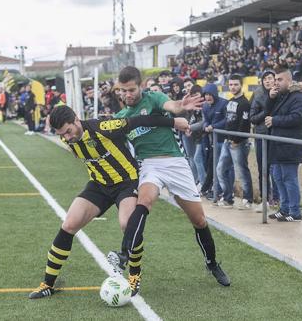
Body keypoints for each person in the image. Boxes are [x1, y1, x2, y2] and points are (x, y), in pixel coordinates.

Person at [29, 105, 190, 299]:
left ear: (76, 120)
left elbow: (139, 121)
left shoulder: (104, 127)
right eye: (61, 135)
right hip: (99, 185)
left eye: (68, 131)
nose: (66, 137)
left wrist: (174, 122)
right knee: (69, 224)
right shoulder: (70, 140)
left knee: (126, 224)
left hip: (126, 182)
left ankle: (134, 275)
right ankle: (48, 284)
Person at [110, 66, 231, 288]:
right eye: (123, 91)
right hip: (148, 165)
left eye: (131, 90)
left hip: (175, 163)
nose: (127, 95)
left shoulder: (154, 98)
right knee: (144, 201)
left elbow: (171, 105)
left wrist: (179, 107)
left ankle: (212, 263)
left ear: (141, 86)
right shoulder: (121, 117)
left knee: (199, 220)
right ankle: (124, 255)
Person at [265, 67, 302, 222]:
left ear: (289, 81)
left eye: (280, 79)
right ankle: (284, 209)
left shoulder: (298, 97)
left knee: (289, 178)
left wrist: (275, 120)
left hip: (291, 145)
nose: (276, 82)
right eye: (275, 79)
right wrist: (270, 98)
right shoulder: (281, 96)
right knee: (277, 176)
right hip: (278, 144)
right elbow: (267, 112)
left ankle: (295, 211)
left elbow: (298, 118)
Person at [215, 74, 253, 209]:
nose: (233, 87)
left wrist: (236, 140)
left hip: (239, 143)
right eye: (230, 84)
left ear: (241, 85)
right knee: (220, 169)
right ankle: (227, 198)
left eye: (236, 84)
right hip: (227, 141)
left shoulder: (245, 103)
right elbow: (228, 121)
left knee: (242, 171)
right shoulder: (229, 101)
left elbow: (245, 124)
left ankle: (248, 199)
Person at [249, 70, 280, 211]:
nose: (268, 81)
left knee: (277, 169)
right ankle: (265, 198)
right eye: (265, 79)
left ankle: (278, 199)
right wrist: (266, 112)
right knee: (263, 169)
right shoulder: (258, 94)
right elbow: (253, 118)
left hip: (277, 135)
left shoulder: (281, 92)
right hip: (262, 136)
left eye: (270, 78)